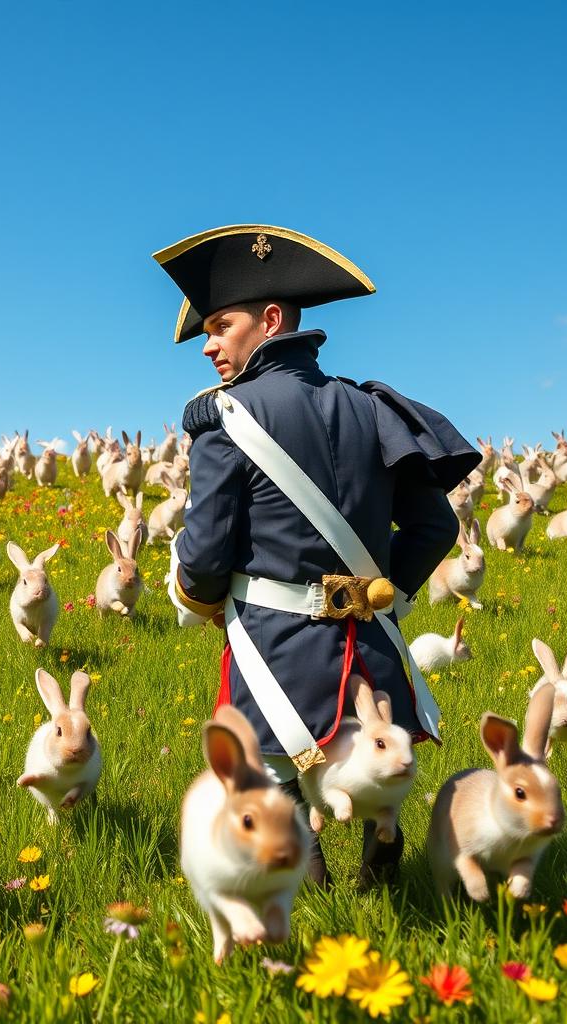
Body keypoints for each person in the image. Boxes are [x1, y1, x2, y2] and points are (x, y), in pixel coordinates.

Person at [153, 224, 481, 887]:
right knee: (372, 752)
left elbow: (208, 555)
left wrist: (193, 590)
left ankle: (315, 884)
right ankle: (380, 844)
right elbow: (435, 526)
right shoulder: (375, 408)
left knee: (275, 770)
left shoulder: (226, 419)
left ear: (270, 319)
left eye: (220, 325)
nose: (209, 345)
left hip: (275, 645)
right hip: (374, 637)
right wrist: (383, 591)